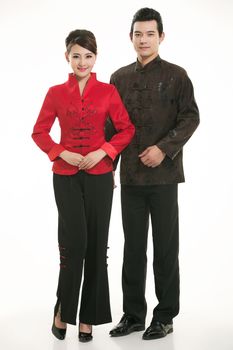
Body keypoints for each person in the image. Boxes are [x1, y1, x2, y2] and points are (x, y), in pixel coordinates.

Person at [31, 29, 135, 343]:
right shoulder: (55, 93)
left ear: (95, 58)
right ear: (67, 56)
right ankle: (63, 310)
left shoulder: (107, 92)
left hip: (101, 176)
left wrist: (103, 151)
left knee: (96, 248)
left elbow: (125, 129)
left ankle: (88, 318)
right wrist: (62, 152)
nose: (82, 61)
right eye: (76, 55)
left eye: (88, 56)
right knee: (73, 246)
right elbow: (39, 132)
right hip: (65, 177)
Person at [108, 8, 200, 340]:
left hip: (164, 177)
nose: (143, 39)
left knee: (165, 248)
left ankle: (164, 316)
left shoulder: (177, 75)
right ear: (130, 37)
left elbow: (190, 118)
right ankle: (133, 314)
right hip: (131, 177)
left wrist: (164, 148)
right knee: (133, 247)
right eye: (138, 34)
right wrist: (108, 169)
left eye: (150, 34)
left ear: (161, 36)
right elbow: (112, 127)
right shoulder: (118, 78)